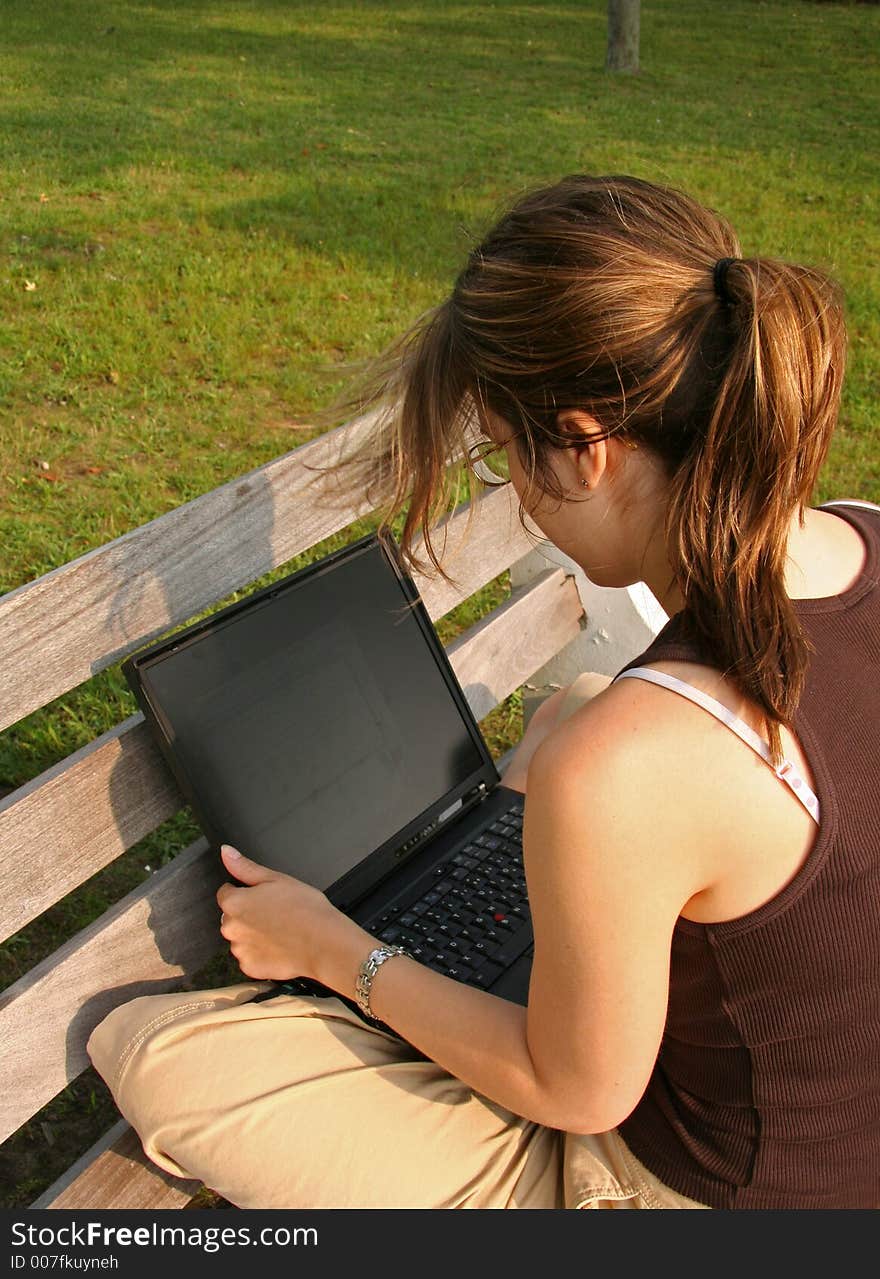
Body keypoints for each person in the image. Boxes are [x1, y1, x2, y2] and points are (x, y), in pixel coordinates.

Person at [88, 175, 879, 1210]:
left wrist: (337, 951)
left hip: (684, 1193)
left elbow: (578, 1088)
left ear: (589, 447)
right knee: (569, 717)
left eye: (506, 456)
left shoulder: (640, 762)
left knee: (148, 1049)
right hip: (836, 1122)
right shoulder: (862, 526)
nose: (515, 492)